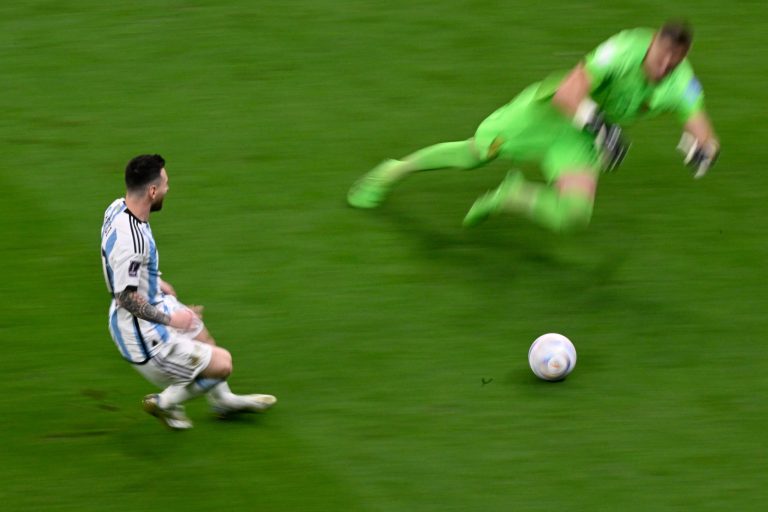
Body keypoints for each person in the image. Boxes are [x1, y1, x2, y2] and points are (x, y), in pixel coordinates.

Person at [347, 21, 720, 232]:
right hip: (544, 115)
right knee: (472, 155)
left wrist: (705, 149)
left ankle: (514, 196)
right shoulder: (623, 49)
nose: (663, 68)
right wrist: (602, 128)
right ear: (652, 44)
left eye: (673, 63)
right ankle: (393, 170)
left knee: (572, 216)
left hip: (578, 138)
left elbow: (699, 122)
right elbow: (569, 93)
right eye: (660, 59)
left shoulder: (680, 80)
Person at [100, 154, 276, 430]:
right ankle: (164, 402)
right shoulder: (131, 242)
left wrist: (154, 282)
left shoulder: (117, 208)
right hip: (142, 334)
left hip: (149, 301)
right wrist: (172, 321)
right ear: (152, 190)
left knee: (198, 330)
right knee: (222, 364)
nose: (169, 189)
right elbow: (125, 297)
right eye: (166, 184)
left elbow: (118, 264)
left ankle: (223, 401)